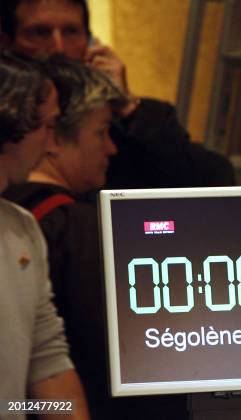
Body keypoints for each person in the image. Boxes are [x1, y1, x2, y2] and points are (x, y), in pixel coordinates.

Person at [4, 56, 188, 419]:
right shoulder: (84, 232)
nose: (112, 148)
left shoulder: (24, 228)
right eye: (101, 132)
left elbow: (48, 365)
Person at [0, 0, 235, 190]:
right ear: (7, 43)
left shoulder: (128, 120)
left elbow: (214, 178)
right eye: (40, 32)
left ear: (90, 42)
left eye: (71, 31)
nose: (59, 47)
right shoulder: (7, 120)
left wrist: (127, 108)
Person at [0, 50, 89, 420]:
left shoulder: (23, 230)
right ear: (10, 124)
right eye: (47, 127)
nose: (52, 145)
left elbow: (46, 363)